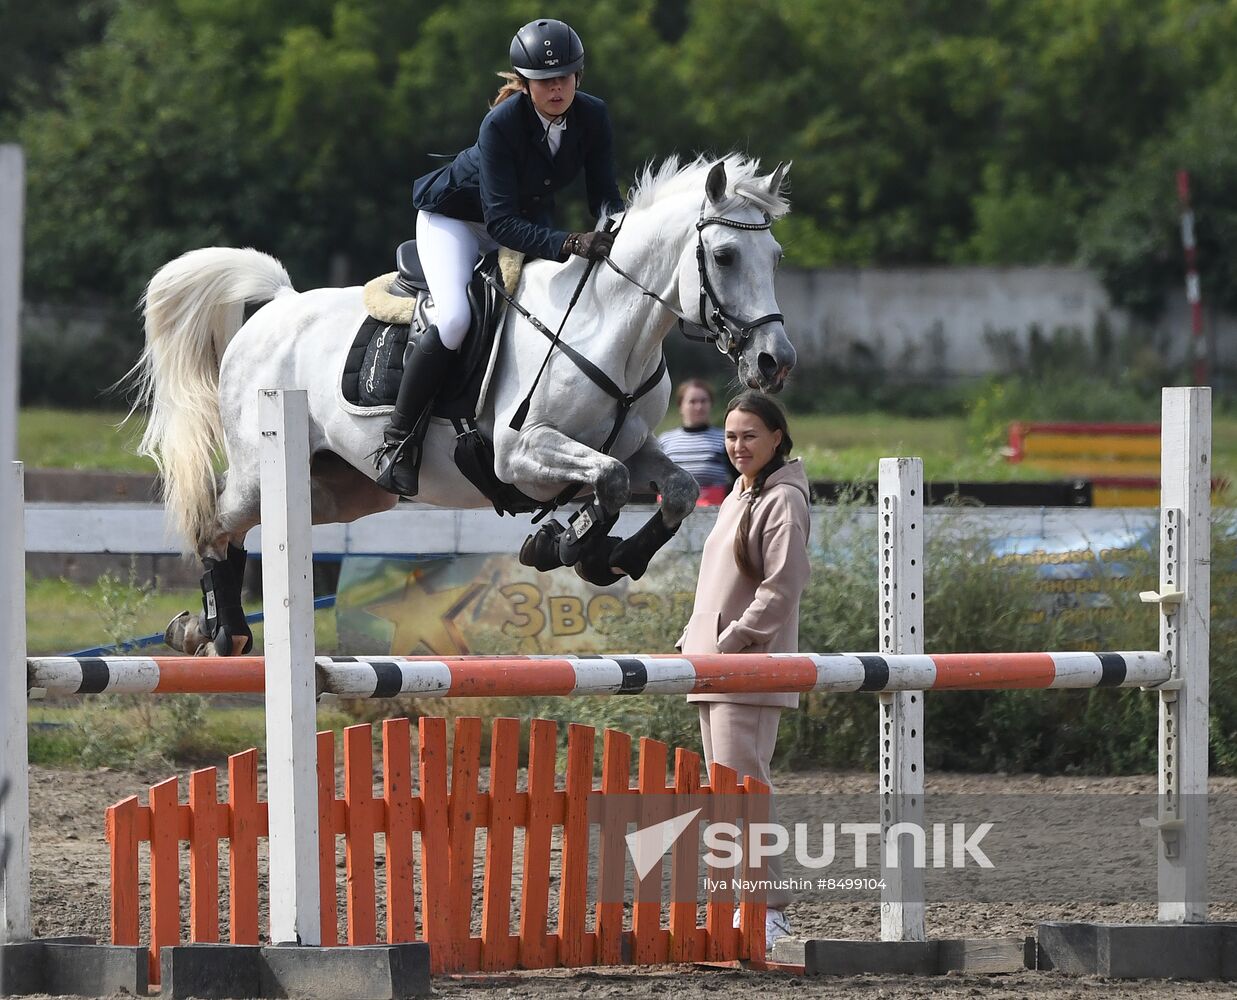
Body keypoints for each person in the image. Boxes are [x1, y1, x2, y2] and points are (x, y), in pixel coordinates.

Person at [375, 17, 625, 494]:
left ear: (579, 76)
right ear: (526, 84)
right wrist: (571, 243)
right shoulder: (501, 124)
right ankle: (399, 440)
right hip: (457, 222)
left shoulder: (593, 116)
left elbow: (605, 198)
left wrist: (621, 234)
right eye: (544, 81)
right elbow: (500, 223)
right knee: (454, 320)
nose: (556, 88)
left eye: (565, 77)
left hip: (521, 221)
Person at [677, 391, 811, 950]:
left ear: (777, 437)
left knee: (745, 793)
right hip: (712, 666)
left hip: (746, 669)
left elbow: (782, 588)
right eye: (731, 436)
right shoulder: (740, 491)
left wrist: (730, 642)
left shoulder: (783, 500)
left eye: (750, 435)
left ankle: (770, 913)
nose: (738, 446)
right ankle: (739, 908)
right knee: (726, 795)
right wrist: (692, 640)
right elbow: (718, 584)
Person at [657, 379, 736, 504]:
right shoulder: (665, 440)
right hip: (672, 507)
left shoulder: (726, 438)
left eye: (703, 401)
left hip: (716, 508)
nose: (699, 407)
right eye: (692, 402)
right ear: (680, 406)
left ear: (711, 404)